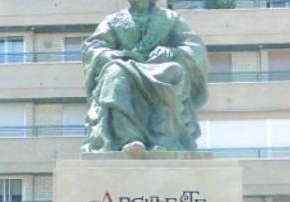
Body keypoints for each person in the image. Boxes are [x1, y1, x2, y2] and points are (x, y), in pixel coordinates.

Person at [82, 0, 209, 153]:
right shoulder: (113, 21)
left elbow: (194, 46)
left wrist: (172, 52)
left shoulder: (170, 19)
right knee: (114, 73)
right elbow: (93, 46)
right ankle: (129, 139)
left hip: (159, 67)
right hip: (126, 66)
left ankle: (164, 140)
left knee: (173, 71)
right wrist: (108, 55)